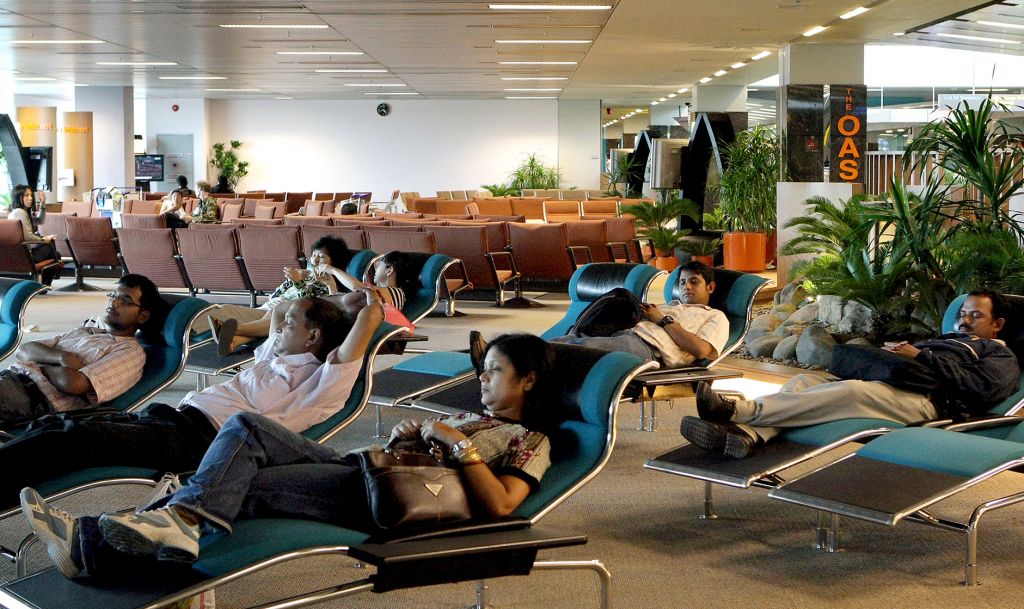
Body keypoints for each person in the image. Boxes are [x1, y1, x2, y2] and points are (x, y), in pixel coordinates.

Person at [20, 333, 554, 579]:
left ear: (528, 380)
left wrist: (457, 443)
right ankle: (173, 522)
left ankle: (93, 542)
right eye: (483, 370)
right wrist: (407, 440)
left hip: (377, 502)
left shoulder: (529, 440)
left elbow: (502, 504)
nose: (482, 379)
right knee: (246, 429)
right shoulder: (467, 418)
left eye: (495, 371)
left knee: (237, 486)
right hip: (360, 469)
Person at [0, 292, 384, 501]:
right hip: (173, 418)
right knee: (58, 424)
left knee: (75, 438)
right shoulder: (276, 355)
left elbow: (370, 317)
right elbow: (283, 306)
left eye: (290, 325)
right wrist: (328, 304)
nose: (279, 325)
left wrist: (349, 308)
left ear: (313, 337)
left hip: (199, 442)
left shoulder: (319, 386)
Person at [682, 288, 1021, 459]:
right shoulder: (943, 341)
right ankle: (750, 436)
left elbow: (980, 389)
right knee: (804, 381)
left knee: (852, 393)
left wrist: (921, 356)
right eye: (963, 313)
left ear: (997, 324)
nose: (964, 320)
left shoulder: (999, 354)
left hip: (929, 404)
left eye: (975, 316)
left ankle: (737, 410)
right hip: (893, 386)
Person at [0, 274, 162, 421]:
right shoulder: (86, 331)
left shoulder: (130, 353)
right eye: (113, 295)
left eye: (125, 300)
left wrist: (40, 363)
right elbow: (24, 350)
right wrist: (61, 358)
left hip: (33, 397)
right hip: (11, 378)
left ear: (142, 316)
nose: (114, 303)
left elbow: (72, 383)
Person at [548, 260, 728, 367]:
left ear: (710, 287)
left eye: (694, 282)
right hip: (623, 332)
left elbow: (700, 350)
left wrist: (662, 320)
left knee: (578, 348)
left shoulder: (715, 316)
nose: (686, 287)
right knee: (558, 343)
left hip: (647, 347)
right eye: (682, 283)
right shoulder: (670, 306)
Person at [208, 236, 353, 355]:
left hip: (286, 316)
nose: (314, 260)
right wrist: (295, 281)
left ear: (333, 263)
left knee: (275, 313)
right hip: (270, 309)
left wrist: (299, 283)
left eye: (321, 257)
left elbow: (307, 306)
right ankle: (234, 341)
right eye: (313, 255)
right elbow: (276, 295)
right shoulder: (303, 275)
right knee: (271, 312)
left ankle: (232, 329)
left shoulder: (328, 284)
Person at [7, 184, 60, 286]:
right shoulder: (20, 213)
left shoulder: (19, 212)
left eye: (31, 195)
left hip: (21, 254)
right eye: (26, 196)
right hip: (27, 255)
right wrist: (45, 239)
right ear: (18, 197)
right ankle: (44, 284)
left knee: (56, 254)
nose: (30, 198)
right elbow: (28, 237)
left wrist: (42, 203)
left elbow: (40, 221)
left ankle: (43, 284)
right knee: (52, 247)